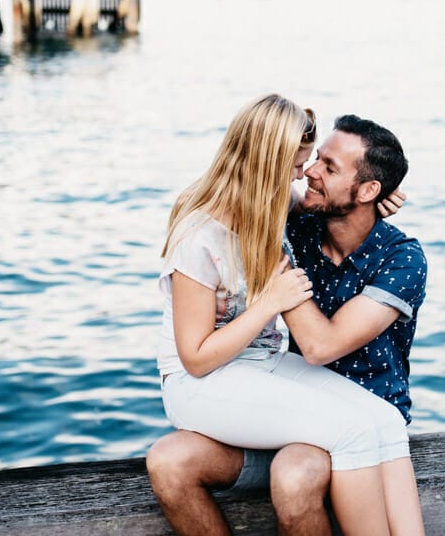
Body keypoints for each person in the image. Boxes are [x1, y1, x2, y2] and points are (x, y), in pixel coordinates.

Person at [148, 111, 427, 536]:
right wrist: (269, 303)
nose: (306, 175)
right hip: (206, 377)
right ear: (268, 165)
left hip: (259, 370)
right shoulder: (206, 233)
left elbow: (332, 207)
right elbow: (196, 359)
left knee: (384, 421)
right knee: (353, 432)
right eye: (299, 166)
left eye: (317, 165)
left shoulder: (285, 212)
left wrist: (372, 198)